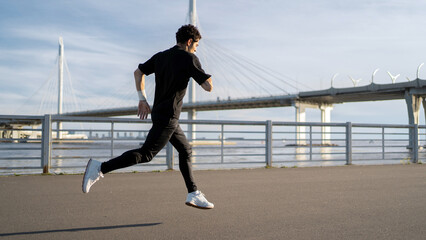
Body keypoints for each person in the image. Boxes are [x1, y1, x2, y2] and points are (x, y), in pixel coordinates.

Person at [82, 24, 214, 210]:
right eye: (196, 45)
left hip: (163, 114)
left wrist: (142, 99)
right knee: (146, 154)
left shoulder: (161, 56)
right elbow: (208, 87)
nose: (196, 49)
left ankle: (193, 193)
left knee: (185, 150)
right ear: (190, 41)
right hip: (168, 117)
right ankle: (100, 168)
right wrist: (206, 75)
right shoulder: (189, 58)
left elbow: (138, 72)